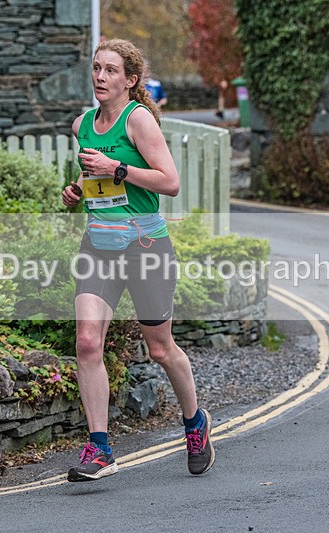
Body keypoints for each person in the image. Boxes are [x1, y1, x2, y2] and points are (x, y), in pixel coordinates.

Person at [61, 38, 214, 482]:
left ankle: (195, 423)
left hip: (145, 247)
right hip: (98, 245)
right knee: (87, 342)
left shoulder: (138, 119)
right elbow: (94, 174)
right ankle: (100, 448)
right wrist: (77, 190)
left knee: (160, 348)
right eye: (96, 68)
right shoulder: (82, 124)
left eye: (110, 70)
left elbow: (170, 182)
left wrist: (118, 170)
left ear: (129, 80)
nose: (100, 76)